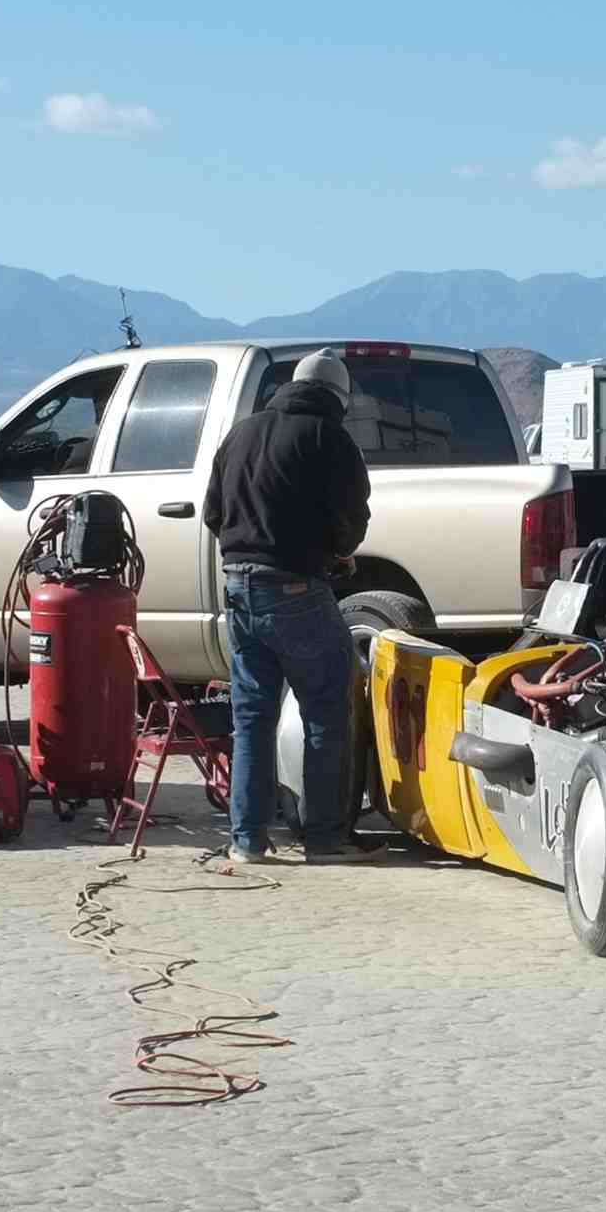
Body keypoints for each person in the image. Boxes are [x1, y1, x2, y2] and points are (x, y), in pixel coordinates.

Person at [201, 348, 373, 864]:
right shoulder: (328, 436)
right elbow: (352, 518)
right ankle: (323, 838)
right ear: (337, 397)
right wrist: (333, 553)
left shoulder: (242, 433)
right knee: (326, 707)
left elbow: (214, 512)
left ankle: (247, 840)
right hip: (295, 589)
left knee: (252, 717)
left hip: (237, 586)